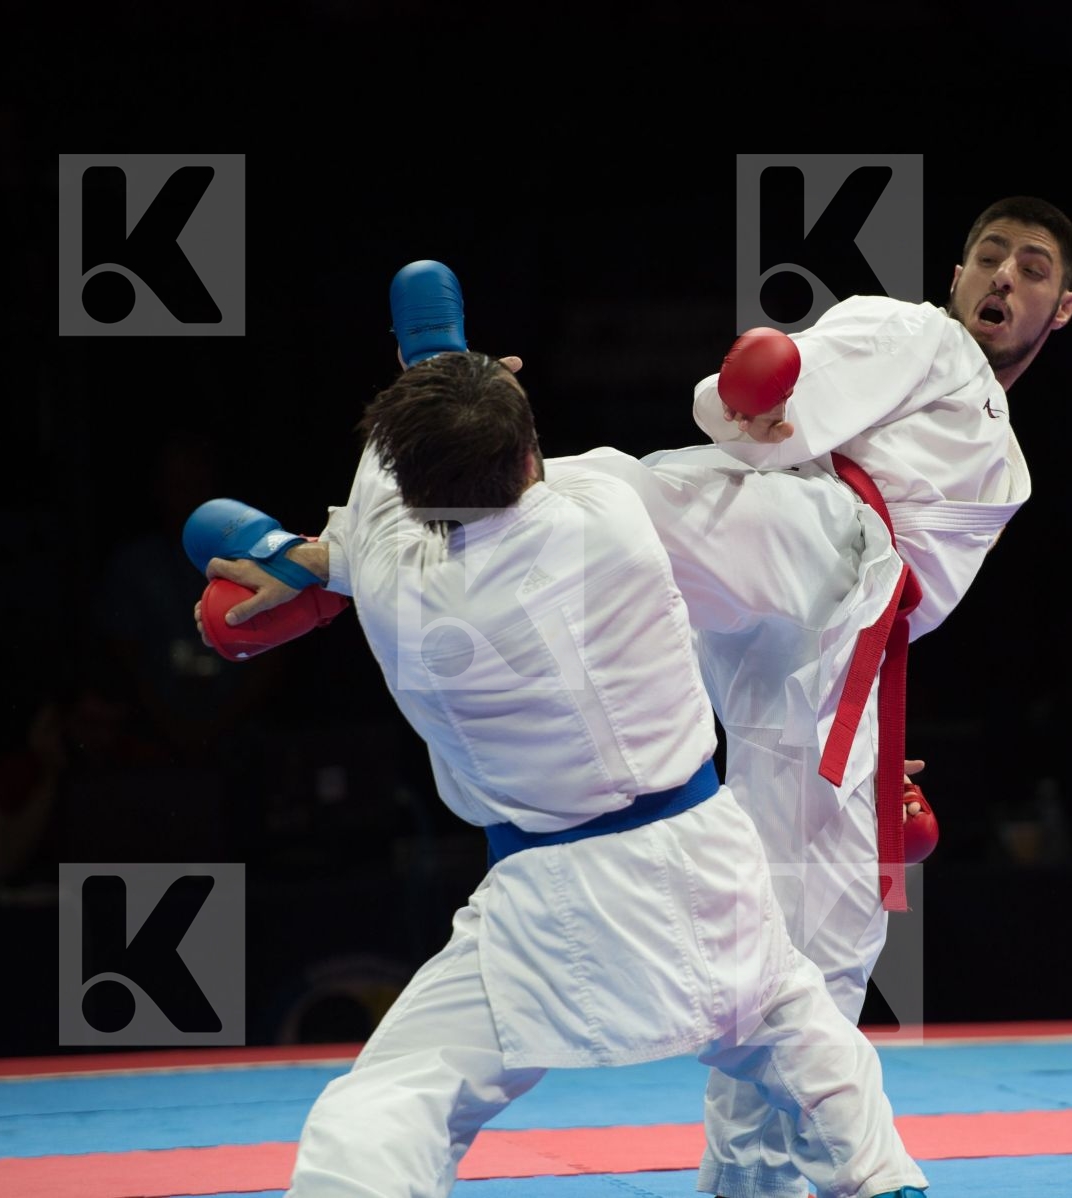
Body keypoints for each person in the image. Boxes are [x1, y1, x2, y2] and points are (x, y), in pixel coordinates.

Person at [196, 351, 927, 1198]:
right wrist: (453, 367)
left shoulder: (399, 587)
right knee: (792, 1026)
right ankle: (884, 1179)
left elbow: (386, 503)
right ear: (530, 456)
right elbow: (429, 484)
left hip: (545, 902)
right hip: (701, 862)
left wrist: (301, 561)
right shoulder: (608, 509)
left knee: (396, 1097)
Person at [557, 195, 1072, 1198]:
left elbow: (905, 607)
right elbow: (773, 395)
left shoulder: (1008, 469)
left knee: (821, 941)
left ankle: (752, 1182)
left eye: (1033, 267)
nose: (1006, 277)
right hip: (807, 532)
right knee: (631, 504)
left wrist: (878, 731)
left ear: (1062, 308)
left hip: (836, 647)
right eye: (989, 258)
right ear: (960, 275)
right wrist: (762, 396)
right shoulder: (914, 330)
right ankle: (364, 539)